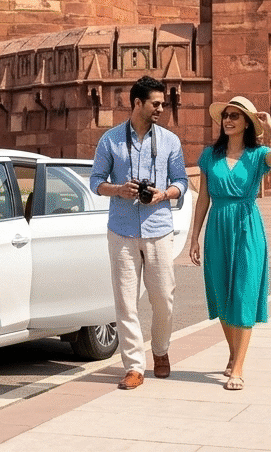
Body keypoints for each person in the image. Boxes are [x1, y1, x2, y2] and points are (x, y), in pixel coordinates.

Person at [90, 75, 188, 390]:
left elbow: (182, 181)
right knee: (125, 301)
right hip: (121, 230)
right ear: (137, 103)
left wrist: (165, 194)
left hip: (158, 229)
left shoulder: (170, 141)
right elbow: (95, 181)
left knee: (164, 299)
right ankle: (134, 365)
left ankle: (160, 351)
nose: (161, 108)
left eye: (162, 103)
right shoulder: (110, 140)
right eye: (155, 103)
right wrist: (118, 189)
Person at [189, 96, 271, 390]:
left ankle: (238, 367)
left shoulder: (258, 154)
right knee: (222, 294)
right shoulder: (209, 156)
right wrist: (194, 237)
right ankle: (232, 352)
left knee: (243, 292)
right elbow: (203, 197)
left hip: (247, 226)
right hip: (217, 226)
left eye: (234, 116)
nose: (227, 120)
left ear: (247, 123)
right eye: (225, 115)